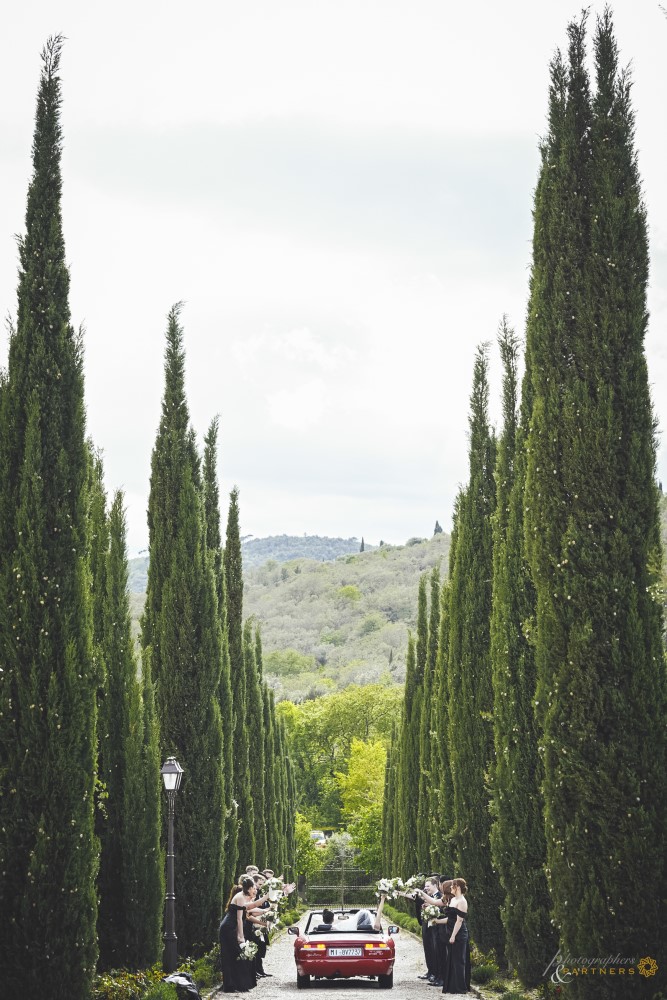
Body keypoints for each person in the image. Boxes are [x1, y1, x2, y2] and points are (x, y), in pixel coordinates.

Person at [218, 877, 261, 993]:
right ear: (250, 888)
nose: (255, 890)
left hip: (231, 928)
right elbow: (239, 919)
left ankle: (235, 984)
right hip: (228, 929)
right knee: (234, 956)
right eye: (254, 888)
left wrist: (269, 897)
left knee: (236, 956)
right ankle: (232, 985)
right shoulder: (240, 897)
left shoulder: (243, 897)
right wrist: (240, 937)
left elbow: (253, 906)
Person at [442, 878, 470, 994]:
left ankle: (460, 987)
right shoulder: (453, 900)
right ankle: (451, 986)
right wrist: (436, 921)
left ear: (457, 887)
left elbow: (459, 921)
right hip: (450, 932)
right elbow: (450, 918)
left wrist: (453, 936)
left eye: (452, 886)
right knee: (451, 959)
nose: (450, 888)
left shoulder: (462, 901)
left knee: (459, 960)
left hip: (459, 934)